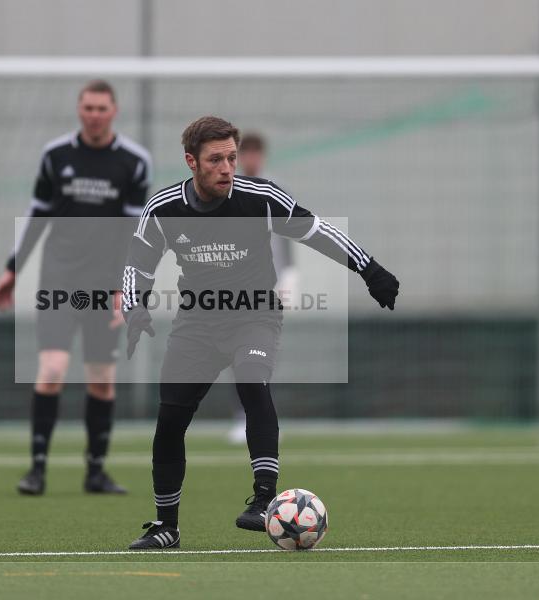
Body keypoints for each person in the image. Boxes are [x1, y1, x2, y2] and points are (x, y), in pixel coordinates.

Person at [120, 116, 398, 549]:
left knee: (252, 381)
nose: (228, 167)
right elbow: (136, 263)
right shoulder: (164, 209)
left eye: (231, 157)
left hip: (254, 315)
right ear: (191, 162)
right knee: (170, 421)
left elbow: (316, 230)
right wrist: (134, 304)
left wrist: (369, 268)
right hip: (196, 323)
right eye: (216, 160)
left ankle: (263, 499)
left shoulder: (261, 197)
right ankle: (166, 527)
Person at [0, 80, 152, 496]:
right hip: (59, 278)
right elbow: (38, 216)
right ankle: (37, 469)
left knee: (101, 379)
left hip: (107, 285)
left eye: (101, 108)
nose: (94, 115)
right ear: (79, 110)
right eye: (87, 107)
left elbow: (134, 233)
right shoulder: (56, 155)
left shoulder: (134, 162)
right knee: (52, 369)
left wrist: (126, 288)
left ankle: (95, 472)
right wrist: (12, 269)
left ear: (113, 111)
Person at [226, 132, 298, 445]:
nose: (251, 159)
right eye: (247, 154)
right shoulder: (227, 190)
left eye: (256, 153)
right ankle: (241, 417)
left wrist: (290, 275)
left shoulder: (274, 191)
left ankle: (260, 416)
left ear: (263, 156)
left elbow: (288, 235)